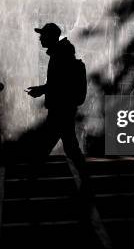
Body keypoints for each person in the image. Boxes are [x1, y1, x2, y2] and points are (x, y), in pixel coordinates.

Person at [26, 23, 89, 185]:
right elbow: (58, 83)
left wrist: (41, 90)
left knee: (46, 145)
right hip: (63, 108)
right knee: (69, 147)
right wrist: (42, 89)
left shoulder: (59, 56)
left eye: (43, 35)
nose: (40, 38)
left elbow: (60, 83)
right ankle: (85, 179)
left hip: (60, 109)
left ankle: (30, 180)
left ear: (52, 37)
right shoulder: (61, 53)